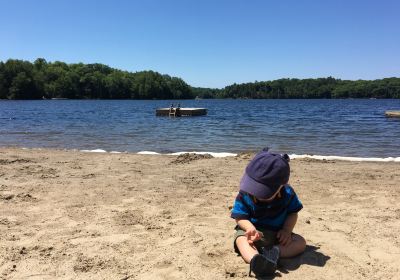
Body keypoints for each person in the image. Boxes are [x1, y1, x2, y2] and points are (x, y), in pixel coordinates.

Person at [231, 148, 306, 277]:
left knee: (300, 243)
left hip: (278, 236)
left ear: (281, 186)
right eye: (254, 187)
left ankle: (272, 253)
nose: (257, 194)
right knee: (241, 240)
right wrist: (250, 228)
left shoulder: (288, 194)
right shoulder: (245, 194)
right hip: (251, 234)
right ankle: (255, 260)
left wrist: (287, 230)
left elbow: (293, 213)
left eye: (263, 192)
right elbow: (239, 216)